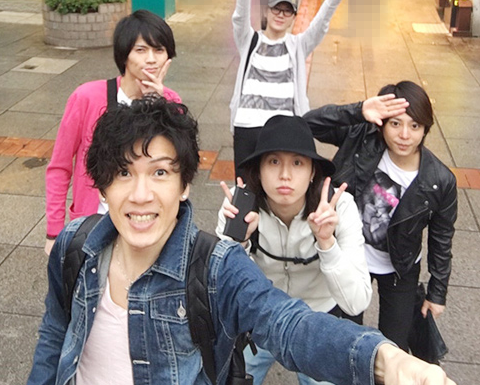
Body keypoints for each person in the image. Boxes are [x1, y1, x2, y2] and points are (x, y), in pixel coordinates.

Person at [28, 96, 456, 385]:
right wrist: (242, 239)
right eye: (124, 172)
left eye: (159, 172)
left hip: (319, 313)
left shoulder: (328, 211)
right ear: (102, 186)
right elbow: (54, 335)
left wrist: (383, 359)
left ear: (184, 185)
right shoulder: (75, 246)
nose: (141, 195)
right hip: (254, 331)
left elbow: (286, 321)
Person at [217, 115, 372, 385]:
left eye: (298, 163)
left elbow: (356, 302)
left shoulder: (339, 207)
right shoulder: (238, 206)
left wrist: (327, 243)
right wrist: (239, 241)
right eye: (273, 161)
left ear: (313, 172)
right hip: (261, 316)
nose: (285, 175)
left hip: (319, 319)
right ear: (258, 169)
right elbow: (220, 290)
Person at [303, 81, 458, 352]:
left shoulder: (439, 180)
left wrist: (437, 292)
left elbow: (441, 238)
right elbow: (308, 123)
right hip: (351, 255)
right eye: (395, 124)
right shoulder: (362, 138)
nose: (404, 135)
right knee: (344, 341)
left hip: (399, 267)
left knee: (393, 348)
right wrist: (359, 110)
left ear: (425, 129)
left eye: (415, 126)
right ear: (382, 124)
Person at [44, 9, 181, 255]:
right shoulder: (87, 97)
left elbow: (180, 168)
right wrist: (54, 232)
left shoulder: (172, 103)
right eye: (141, 50)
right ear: (124, 55)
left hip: (145, 222)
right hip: (93, 223)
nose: (151, 59)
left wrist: (157, 107)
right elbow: (59, 167)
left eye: (159, 50)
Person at [230, 0, 363, 177]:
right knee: (246, 189)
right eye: (276, 8)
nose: (281, 15)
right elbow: (240, 18)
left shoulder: (298, 45)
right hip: (247, 127)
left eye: (287, 10)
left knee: (280, 187)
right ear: (266, 11)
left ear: (293, 17)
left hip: (283, 129)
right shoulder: (249, 40)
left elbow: (320, 25)